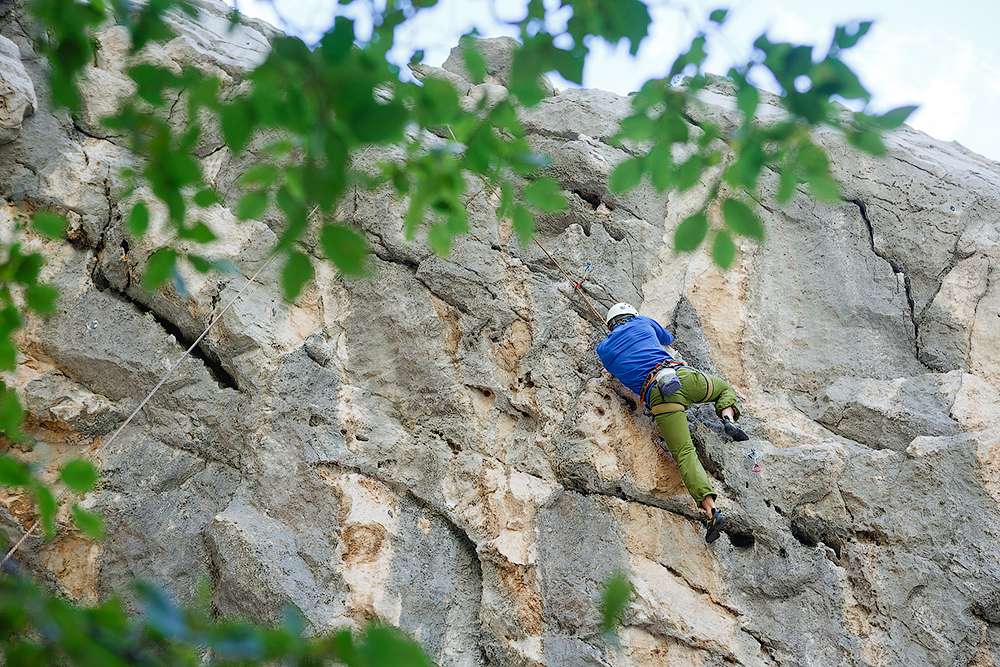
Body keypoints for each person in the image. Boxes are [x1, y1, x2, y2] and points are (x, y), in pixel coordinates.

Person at [596, 303, 749, 544]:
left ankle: (711, 511)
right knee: (723, 389)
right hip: (682, 377)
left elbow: (617, 370)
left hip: (658, 396)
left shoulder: (603, 350)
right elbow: (669, 339)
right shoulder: (642, 321)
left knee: (685, 453)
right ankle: (728, 418)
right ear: (631, 315)